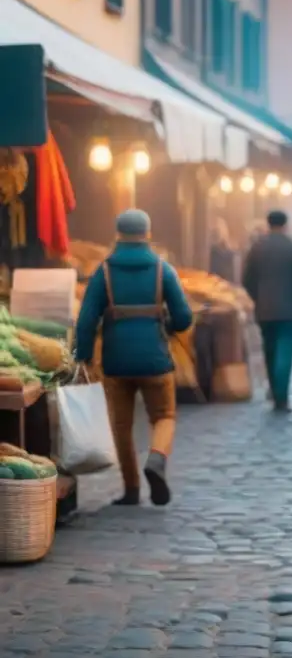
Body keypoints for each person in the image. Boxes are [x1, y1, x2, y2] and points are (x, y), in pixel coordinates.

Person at [74, 210, 193, 507]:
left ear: (118, 234)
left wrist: (84, 357)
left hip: (116, 361)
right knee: (164, 416)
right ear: (147, 234)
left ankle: (130, 489)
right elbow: (184, 317)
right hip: (155, 359)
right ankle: (156, 458)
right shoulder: (162, 270)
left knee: (121, 425)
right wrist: (168, 323)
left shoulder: (104, 272)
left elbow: (86, 319)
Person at [242, 210, 292, 412]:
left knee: (270, 350)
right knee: (285, 352)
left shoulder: (257, 248)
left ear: (268, 224)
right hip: (291, 310)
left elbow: (247, 279)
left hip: (265, 309)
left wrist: (258, 297)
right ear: (286, 225)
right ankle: (281, 397)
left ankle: (273, 390)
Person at [209, 218, 237, 283]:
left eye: (217, 231)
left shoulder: (229, 253)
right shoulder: (211, 251)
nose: (216, 234)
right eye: (215, 231)